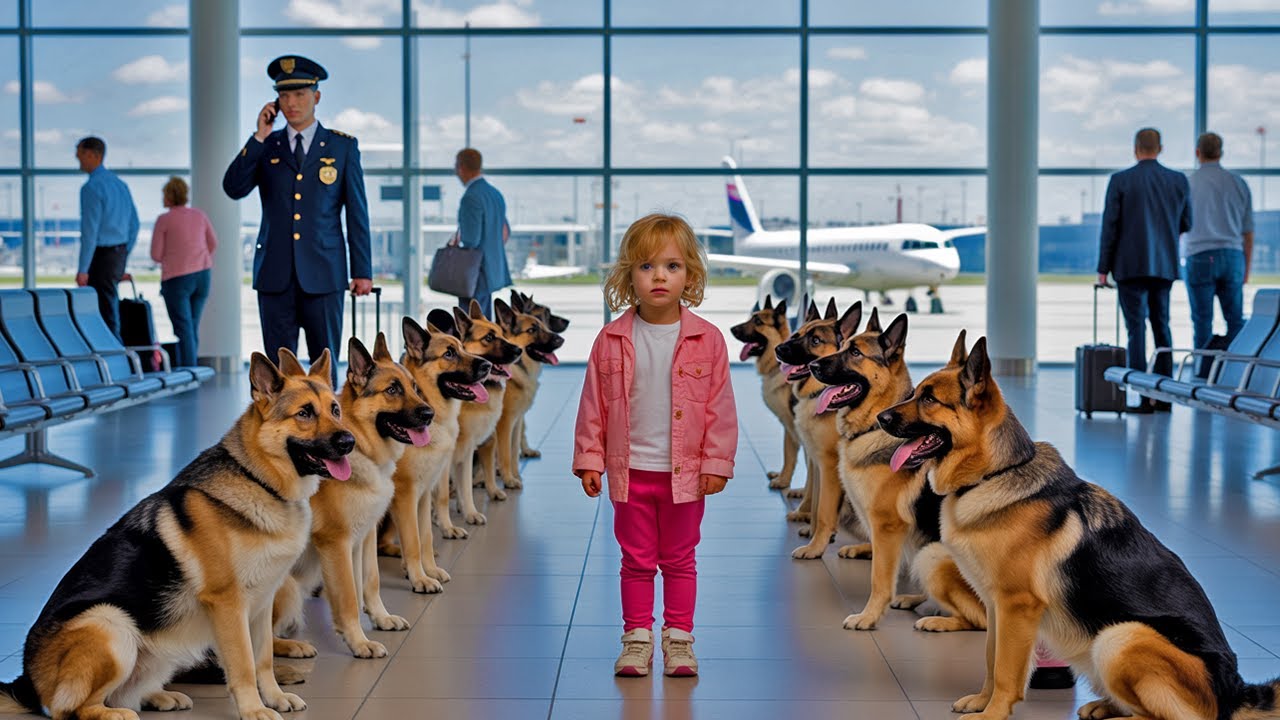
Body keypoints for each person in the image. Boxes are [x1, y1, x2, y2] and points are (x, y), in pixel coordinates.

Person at [572, 213, 738, 678]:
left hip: (684, 475)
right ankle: (637, 639)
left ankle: (679, 640)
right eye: (646, 267)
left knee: (681, 559)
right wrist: (590, 457)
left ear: (690, 275)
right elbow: (593, 405)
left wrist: (717, 462)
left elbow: (720, 408)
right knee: (636, 560)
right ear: (629, 276)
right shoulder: (610, 340)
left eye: (671, 266)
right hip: (632, 472)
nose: (659, 276)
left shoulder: (709, 340)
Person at [223, 55, 372, 386]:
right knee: (277, 374)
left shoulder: (342, 147)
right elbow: (233, 187)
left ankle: (328, 435)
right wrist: (258, 137)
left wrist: (362, 270)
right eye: (285, 96)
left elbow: (357, 213)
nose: (292, 103)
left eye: (300, 94)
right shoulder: (267, 146)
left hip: (325, 273)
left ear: (316, 97)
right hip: (275, 275)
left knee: (325, 363)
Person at [1097, 127, 1192, 413]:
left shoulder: (1120, 180)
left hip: (1129, 266)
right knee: (1162, 326)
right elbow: (1187, 223)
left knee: (1135, 328)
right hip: (1164, 265)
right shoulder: (1178, 180)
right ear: (1159, 148)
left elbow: (1109, 228)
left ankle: (1141, 397)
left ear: (1135, 148)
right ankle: (1164, 398)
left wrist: (1103, 268)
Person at [1184, 131, 1254, 376]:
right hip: (1233, 255)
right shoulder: (1238, 183)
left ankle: (1204, 373)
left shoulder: (1189, 183)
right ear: (1221, 153)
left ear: (1197, 153)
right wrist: (1246, 267)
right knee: (1235, 319)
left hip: (1200, 255)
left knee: (1202, 320)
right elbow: (1248, 232)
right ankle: (1235, 371)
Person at [75, 136, 139, 340]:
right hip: (117, 253)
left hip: (101, 257)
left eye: (81, 153)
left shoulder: (92, 188)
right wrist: (122, 255)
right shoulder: (120, 185)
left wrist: (83, 269)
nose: (77, 158)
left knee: (102, 312)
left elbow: (90, 231)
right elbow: (134, 225)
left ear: (94, 155)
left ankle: (112, 360)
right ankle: (115, 358)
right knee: (110, 307)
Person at [150, 177, 216, 368]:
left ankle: (189, 370)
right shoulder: (199, 215)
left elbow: (155, 254)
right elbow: (213, 243)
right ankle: (191, 367)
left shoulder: (164, 220)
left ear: (169, 196)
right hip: (203, 275)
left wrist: (176, 257)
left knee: (183, 327)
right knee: (192, 325)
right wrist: (197, 257)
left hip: (177, 279)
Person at [449, 148, 510, 318]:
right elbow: (505, 231)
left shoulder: (471, 197)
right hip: (491, 269)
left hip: (475, 272)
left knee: (472, 324)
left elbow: (471, 240)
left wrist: (457, 243)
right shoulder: (495, 194)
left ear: (461, 167)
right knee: (484, 320)